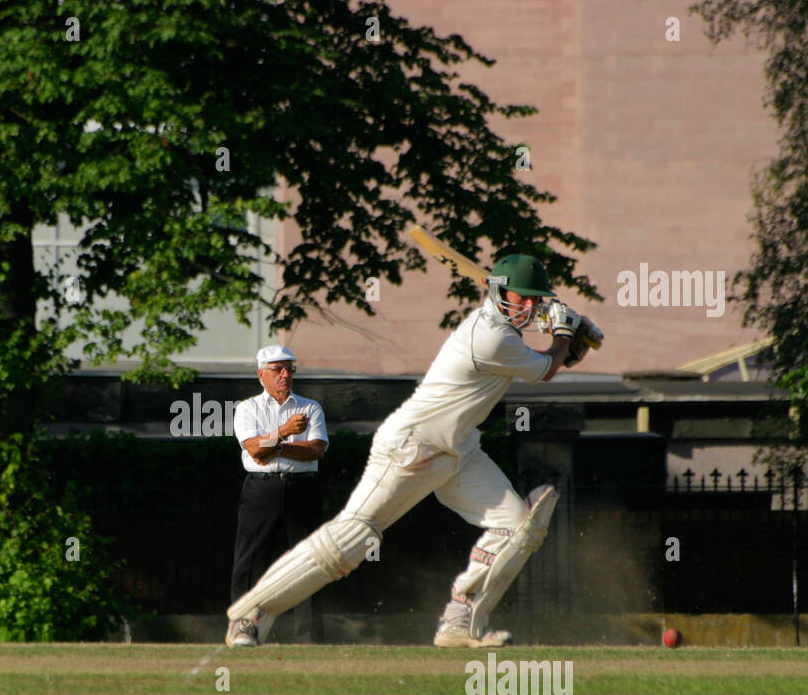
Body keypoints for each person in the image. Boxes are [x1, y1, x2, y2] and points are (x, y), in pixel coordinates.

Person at [224, 254, 593, 648]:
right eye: (524, 298)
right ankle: (250, 615)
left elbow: (552, 360)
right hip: (412, 445)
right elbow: (547, 368)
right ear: (500, 291)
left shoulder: (505, 335)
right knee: (353, 538)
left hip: (459, 449)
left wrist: (568, 341)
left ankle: (459, 621)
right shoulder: (490, 336)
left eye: (536, 300)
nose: (531, 307)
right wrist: (565, 334)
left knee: (518, 526)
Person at [230, 345, 328, 642]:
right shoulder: (248, 408)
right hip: (262, 489)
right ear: (262, 375)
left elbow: (316, 449)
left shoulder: (311, 407)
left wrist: (276, 446)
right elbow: (253, 449)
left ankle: (309, 634)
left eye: (290, 369)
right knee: (250, 560)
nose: (286, 374)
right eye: (278, 369)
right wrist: (284, 432)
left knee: (310, 560)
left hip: (303, 488)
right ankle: (245, 626)